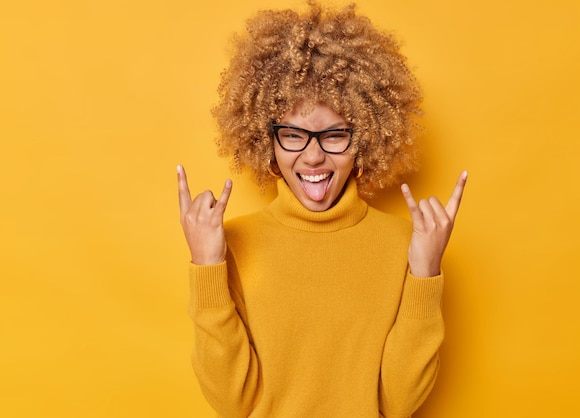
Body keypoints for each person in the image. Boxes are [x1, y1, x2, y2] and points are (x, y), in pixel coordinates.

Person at [177, 2, 467, 417]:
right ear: (267, 141)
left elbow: (398, 404)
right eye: (293, 134)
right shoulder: (231, 244)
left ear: (364, 138)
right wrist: (206, 264)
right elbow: (230, 403)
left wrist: (425, 271)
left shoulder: (405, 244)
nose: (313, 157)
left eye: (334, 135)